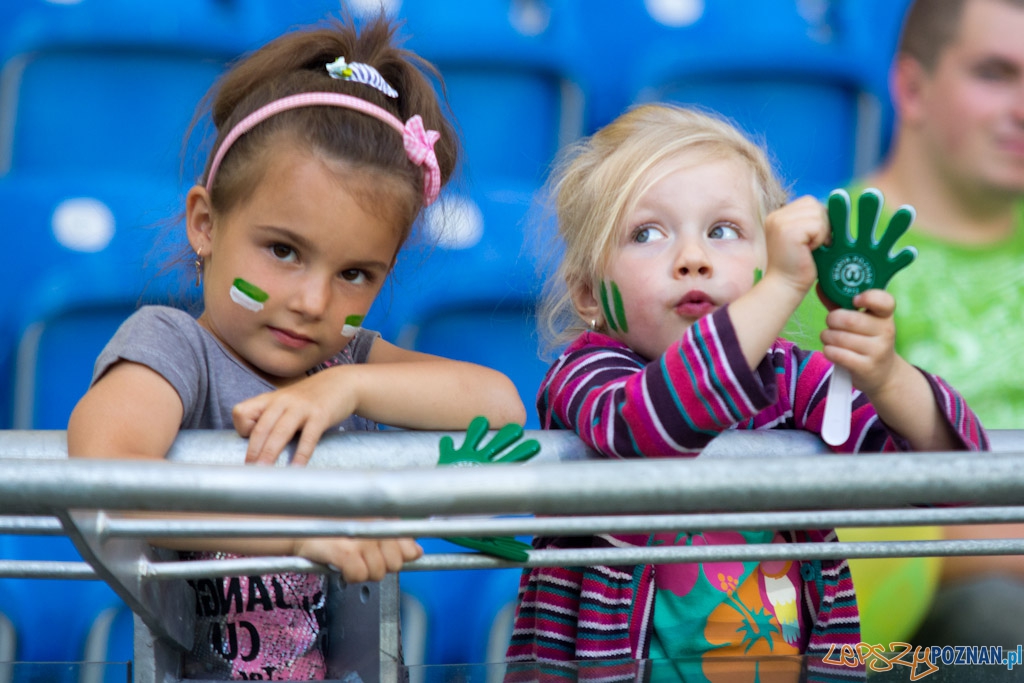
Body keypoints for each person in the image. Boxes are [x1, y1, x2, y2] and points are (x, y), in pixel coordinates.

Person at [66, 15, 526, 680]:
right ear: (205, 224)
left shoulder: (342, 361)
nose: (314, 302)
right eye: (283, 251)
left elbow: (500, 405)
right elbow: (106, 468)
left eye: (355, 274)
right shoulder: (173, 346)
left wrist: (349, 386)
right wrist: (294, 532)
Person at [504, 104, 987, 681]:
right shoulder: (586, 376)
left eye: (724, 231)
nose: (693, 260)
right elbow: (645, 428)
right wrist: (781, 287)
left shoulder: (789, 379)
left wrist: (886, 377)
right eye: (647, 234)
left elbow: (952, 480)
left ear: (766, 258)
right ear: (587, 295)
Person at [785, 0, 1024, 649]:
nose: (1023, 108)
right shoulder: (818, 257)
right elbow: (811, 517)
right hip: (900, 631)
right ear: (912, 87)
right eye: (995, 74)